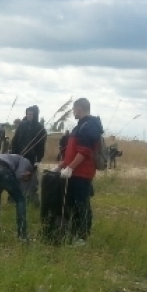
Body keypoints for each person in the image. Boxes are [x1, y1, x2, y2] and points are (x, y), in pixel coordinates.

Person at [54, 98, 103, 244]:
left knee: (81, 206)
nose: (73, 112)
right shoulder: (80, 126)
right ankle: (74, 233)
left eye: (74, 110)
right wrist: (61, 166)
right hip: (74, 172)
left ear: (79, 109)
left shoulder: (89, 126)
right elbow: (72, 152)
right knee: (74, 205)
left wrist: (70, 168)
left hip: (82, 174)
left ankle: (82, 237)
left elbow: (84, 152)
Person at [10, 105, 47, 206]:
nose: (29, 116)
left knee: (31, 179)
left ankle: (32, 201)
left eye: (31, 114)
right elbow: (16, 139)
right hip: (19, 155)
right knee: (17, 176)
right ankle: (13, 199)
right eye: (28, 114)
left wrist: (38, 159)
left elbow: (41, 146)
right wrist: (13, 153)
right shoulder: (22, 125)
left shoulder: (40, 128)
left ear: (35, 115)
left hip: (31, 158)